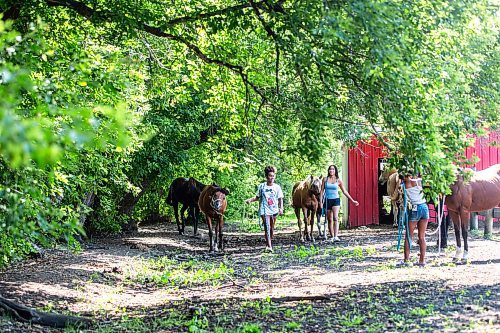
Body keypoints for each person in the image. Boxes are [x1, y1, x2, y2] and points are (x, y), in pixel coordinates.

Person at [245, 165, 284, 252]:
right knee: (267, 226)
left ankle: (268, 243)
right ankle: (269, 246)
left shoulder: (277, 187)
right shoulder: (262, 186)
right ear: (266, 176)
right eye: (270, 176)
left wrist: (281, 208)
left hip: (274, 209)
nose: (272, 177)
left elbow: (280, 198)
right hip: (264, 209)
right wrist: (250, 200)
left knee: (271, 228)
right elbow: (257, 197)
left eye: (273, 176)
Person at [320, 165, 359, 241]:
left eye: (333, 169)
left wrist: (352, 200)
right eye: (330, 169)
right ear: (328, 171)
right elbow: (321, 191)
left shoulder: (338, 180)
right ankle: (332, 236)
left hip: (335, 200)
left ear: (335, 171)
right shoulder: (325, 179)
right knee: (329, 219)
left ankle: (336, 236)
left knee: (335, 218)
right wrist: (321, 202)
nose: (331, 170)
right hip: (327, 200)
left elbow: (344, 191)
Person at [400, 173, 429, 267]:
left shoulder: (405, 182)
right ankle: (422, 261)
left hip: (415, 208)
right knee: (422, 236)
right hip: (424, 207)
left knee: (409, 235)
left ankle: (406, 260)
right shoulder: (418, 181)